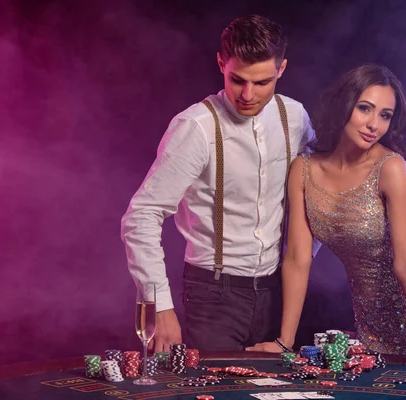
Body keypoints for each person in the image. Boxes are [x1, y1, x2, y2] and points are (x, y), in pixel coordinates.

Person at [247, 64, 406, 360]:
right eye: (365, 109)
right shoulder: (303, 169)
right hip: (371, 320)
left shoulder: (390, 168)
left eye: (385, 115)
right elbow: (297, 258)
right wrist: (284, 341)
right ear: (344, 105)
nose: (374, 125)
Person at [121, 15, 315, 352]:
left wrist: (302, 254)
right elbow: (141, 217)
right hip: (213, 296)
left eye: (262, 82)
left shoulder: (295, 117)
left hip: (277, 294)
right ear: (221, 62)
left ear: (281, 69)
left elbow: (318, 193)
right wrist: (160, 305)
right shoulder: (195, 128)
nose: (247, 95)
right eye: (237, 80)